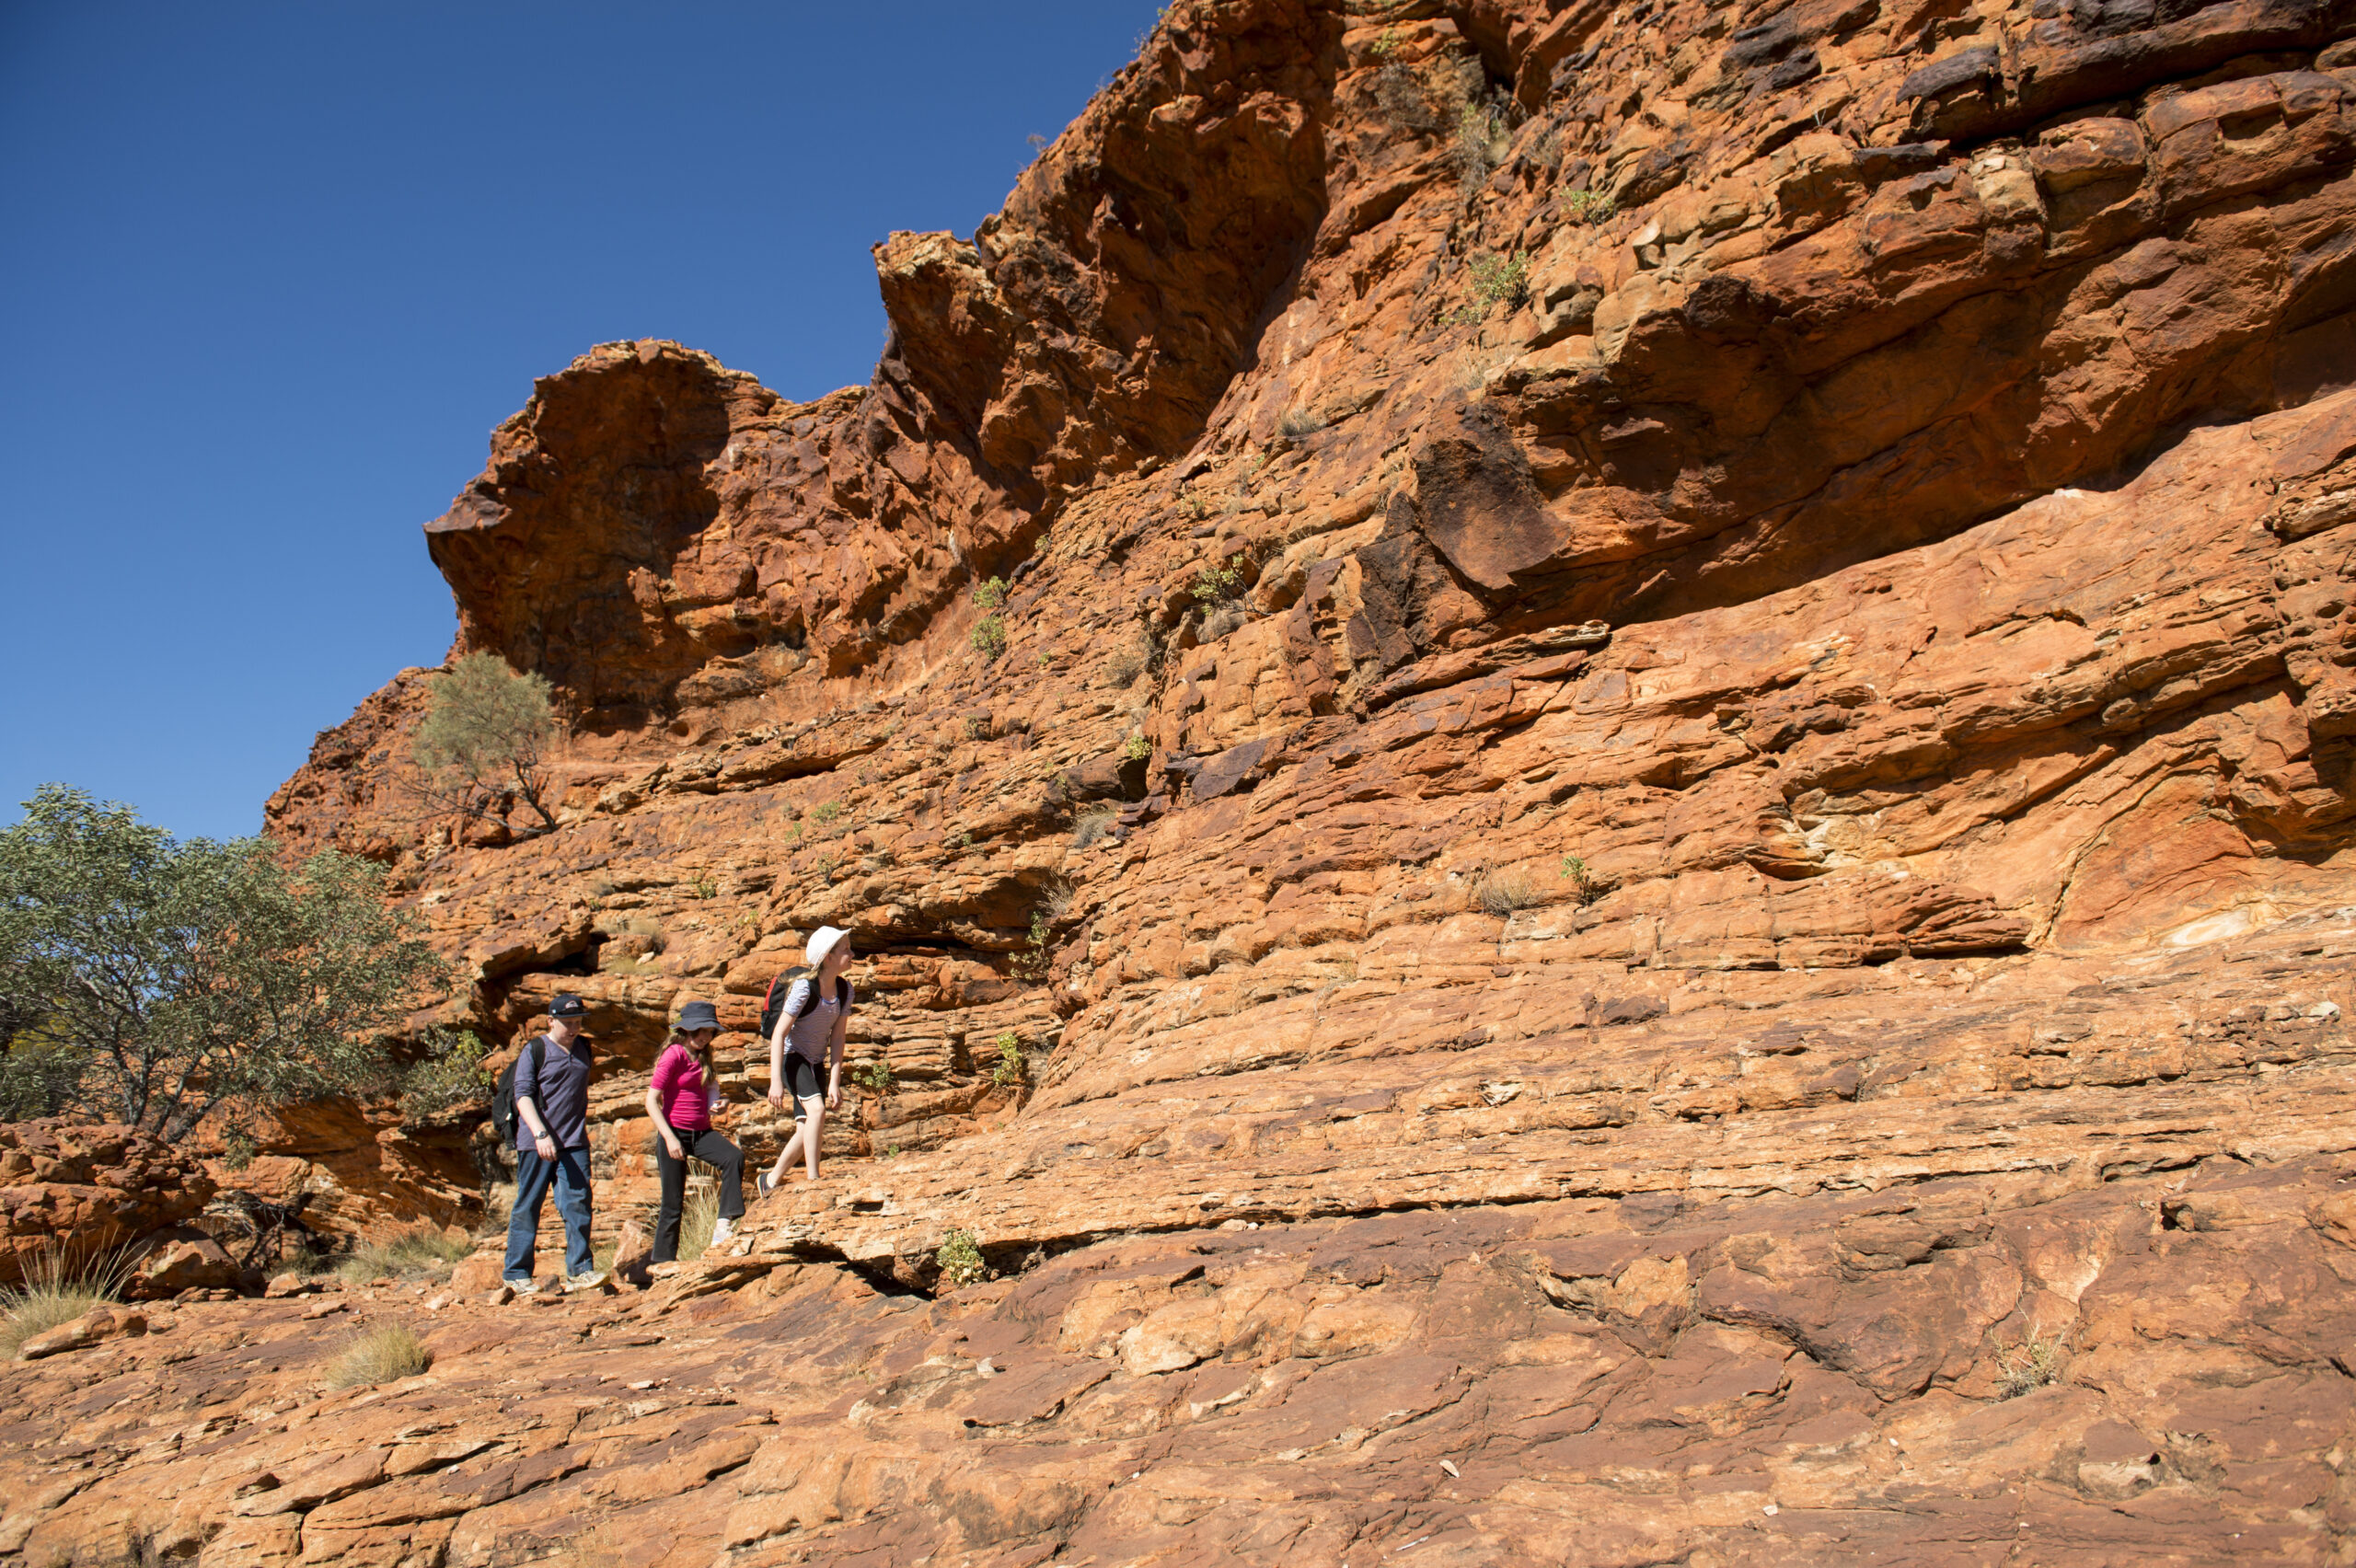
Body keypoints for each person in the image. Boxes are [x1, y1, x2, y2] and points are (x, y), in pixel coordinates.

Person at [504, 993, 597, 1290]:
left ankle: (581, 1270)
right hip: (536, 1143)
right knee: (528, 1205)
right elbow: (523, 1095)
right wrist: (540, 1133)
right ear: (550, 1021)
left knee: (578, 1204)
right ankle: (517, 1275)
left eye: (578, 1022)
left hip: (573, 1141)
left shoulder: (584, 1047)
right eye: (567, 1023)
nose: (573, 1029)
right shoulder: (535, 1050)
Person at [645, 998, 745, 1262]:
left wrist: (719, 1103)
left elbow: (711, 1087)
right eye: (700, 1031)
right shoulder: (674, 1055)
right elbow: (651, 1100)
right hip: (674, 1133)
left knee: (733, 1158)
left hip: (700, 1132)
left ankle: (723, 1225)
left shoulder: (704, 1055)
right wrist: (669, 1138)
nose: (705, 1036)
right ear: (687, 1030)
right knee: (672, 1203)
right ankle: (662, 1264)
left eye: (709, 1031)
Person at [759, 926, 854, 1193]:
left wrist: (834, 1082)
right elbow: (779, 1033)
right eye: (845, 949)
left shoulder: (845, 991)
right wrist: (775, 1081)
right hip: (793, 1059)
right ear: (828, 957)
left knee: (806, 1129)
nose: (852, 953)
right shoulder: (804, 988)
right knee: (817, 1112)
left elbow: (837, 1038)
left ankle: (769, 1181)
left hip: (816, 1062)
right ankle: (814, 1180)